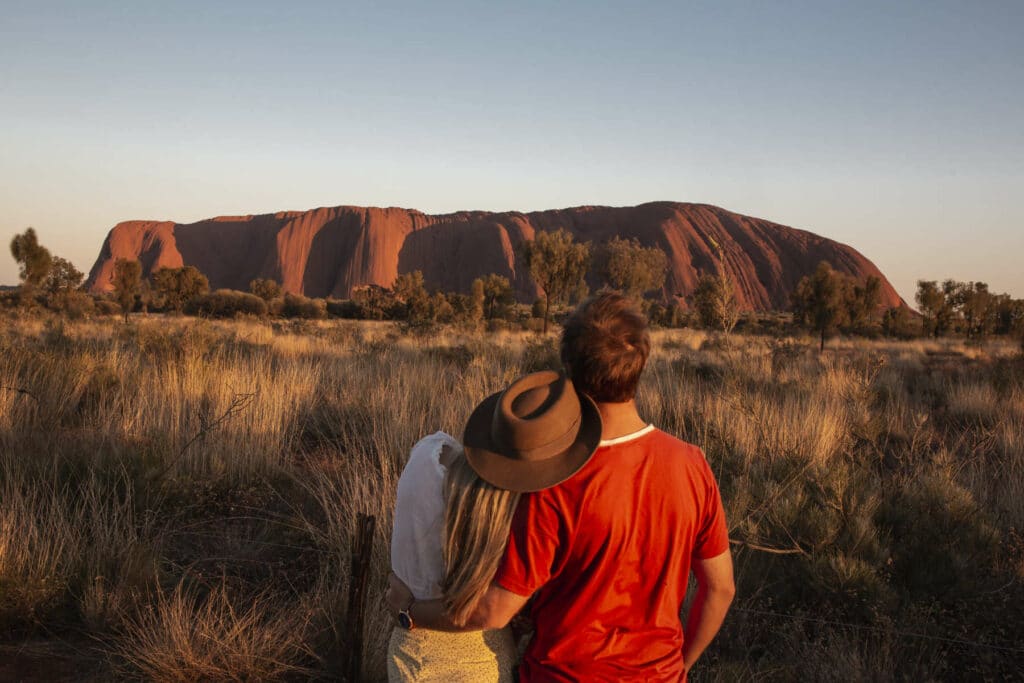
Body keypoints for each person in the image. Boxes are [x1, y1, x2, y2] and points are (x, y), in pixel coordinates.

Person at [389, 292, 735, 681]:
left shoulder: (553, 482)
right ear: (641, 364)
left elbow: (497, 610)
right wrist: (680, 666)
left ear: (568, 370)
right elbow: (720, 589)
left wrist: (412, 612)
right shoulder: (693, 465)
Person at [387, 371, 602, 682]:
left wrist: (408, 609)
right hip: (484, 659)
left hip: (410, 653)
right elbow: (495, 612)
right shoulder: (525, 517)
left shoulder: (427, 454)